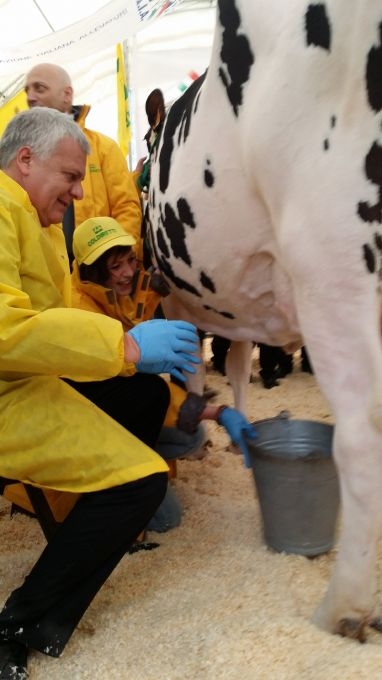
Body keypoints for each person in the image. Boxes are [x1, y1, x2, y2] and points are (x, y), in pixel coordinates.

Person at [0, 106, 204, 679]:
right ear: (25, 159)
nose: (80, 189)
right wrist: (127, 347)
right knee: (141, 479)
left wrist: (148, 373)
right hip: (8, 392)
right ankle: (17, 624)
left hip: (27, 378)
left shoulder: (34, 222)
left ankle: (95, 522)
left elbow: (47, 328)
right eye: (69, 175)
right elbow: (5, 330)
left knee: (138, 397)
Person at [70, 216, 256, 531]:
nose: (128, 272)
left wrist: (156, 288)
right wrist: (216, 411)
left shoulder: (114, 293)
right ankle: (111, 487)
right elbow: (132, 395)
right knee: (166, 519)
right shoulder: (80, 317)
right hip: (90, 436)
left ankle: (142, 462)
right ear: (92, 272)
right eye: (116, 267)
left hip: (124, 414)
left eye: (131, 260)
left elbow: (135, 296)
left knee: (191, 435)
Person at [24, 62, 142, 264]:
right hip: (43, 277)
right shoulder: (21, 155)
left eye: (39, 88)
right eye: (27, 90)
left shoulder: (104, 148)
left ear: (67, 95)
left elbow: (126, 208)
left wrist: (113, 264)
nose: (30, 97)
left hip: (96, 276)